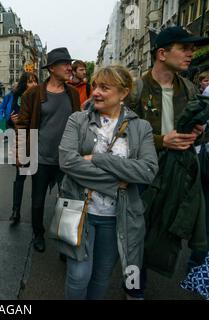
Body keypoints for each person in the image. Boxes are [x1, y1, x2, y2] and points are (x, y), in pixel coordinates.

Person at [58, 65, 158, 300]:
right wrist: (116, 183)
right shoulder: (78, 120)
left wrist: (98, 159)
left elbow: (147, 170)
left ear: (123, 93)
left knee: (102, 275)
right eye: (95, 86)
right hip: (79, 210)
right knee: (78, 275)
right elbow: (67, 161)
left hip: (117, 217)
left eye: (104, 87)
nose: (96, 92)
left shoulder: (141, 127)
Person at [128, 26, 209, 299]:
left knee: (159, 235)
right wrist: (163, 141)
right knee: (135, 239)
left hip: (175, 176)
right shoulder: (135, 89)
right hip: (142, 178)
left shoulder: (188, 88)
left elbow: (192, 135)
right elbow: (122, 137)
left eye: (192, 48)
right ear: (162, 54)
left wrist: (198, 134)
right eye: (184, 48)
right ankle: (133, 289)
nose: (191, 53)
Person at [16, 47, 81, 252]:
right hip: (40, 157)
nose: (70, 68)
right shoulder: (33, 93)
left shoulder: (72, 93)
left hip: (66, 159)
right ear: (52, 68)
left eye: (70, 64)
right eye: (65, 64)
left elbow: (78, 124)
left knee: (69, 201)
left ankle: (65, 239)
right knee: (38, 200)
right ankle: (38, 234)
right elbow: (23, 124)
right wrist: (20, 152)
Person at [7, 72, 39, 226]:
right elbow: (11, 119)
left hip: (37, 143)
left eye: (35, 81)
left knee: (37, 181)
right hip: (21, 142)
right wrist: (11, 120)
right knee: (20, 178)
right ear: (24, 84)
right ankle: (15, 211)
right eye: (29, 82)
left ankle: (35, 215)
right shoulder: (17, 98)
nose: (32, 84)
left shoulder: (41, 98)